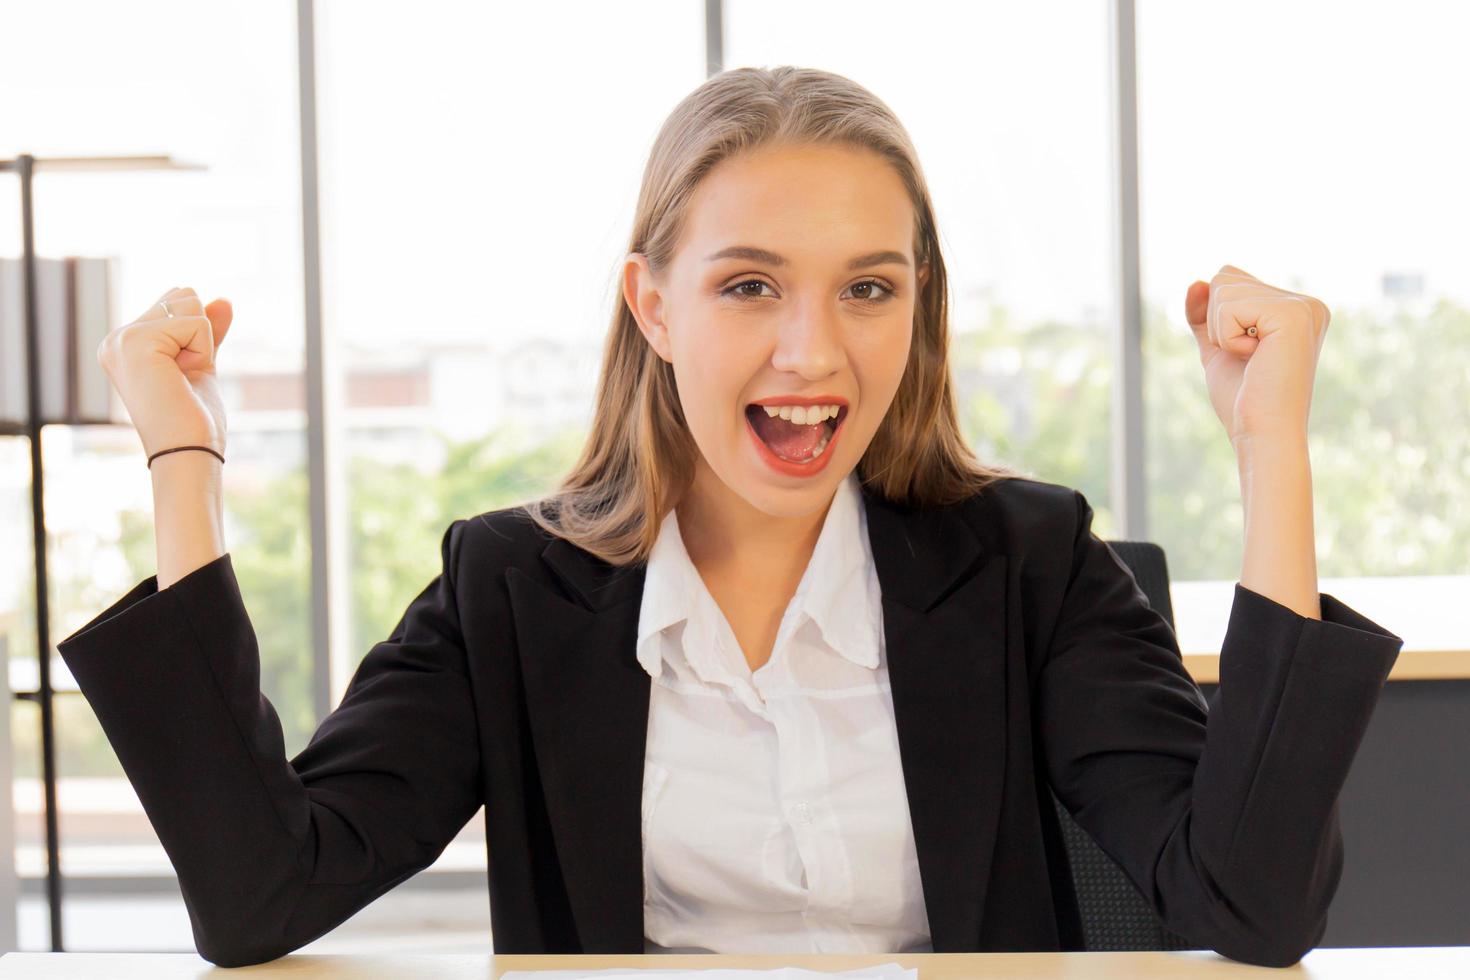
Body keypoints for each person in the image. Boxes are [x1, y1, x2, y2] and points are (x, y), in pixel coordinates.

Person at [59, 66, 1403, 969]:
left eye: (868, 289)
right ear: (654, 305)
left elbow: (1248, 901)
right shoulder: (511, 588)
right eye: (750, 286)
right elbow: (259, 893)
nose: (811, 353)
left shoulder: (1023, 564)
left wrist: (1264, 450)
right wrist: (185, 457)